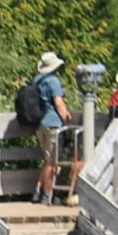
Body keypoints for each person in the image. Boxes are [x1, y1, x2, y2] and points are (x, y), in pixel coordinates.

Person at [30, 51, 74, 203]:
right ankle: (47, 194)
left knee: (47, 160)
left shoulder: (37, 80)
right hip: (53, 124)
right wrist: (66, 120)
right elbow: (58, 103)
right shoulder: (53, 81)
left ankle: (38, 191)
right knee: (52, 162)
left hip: (39, 124)